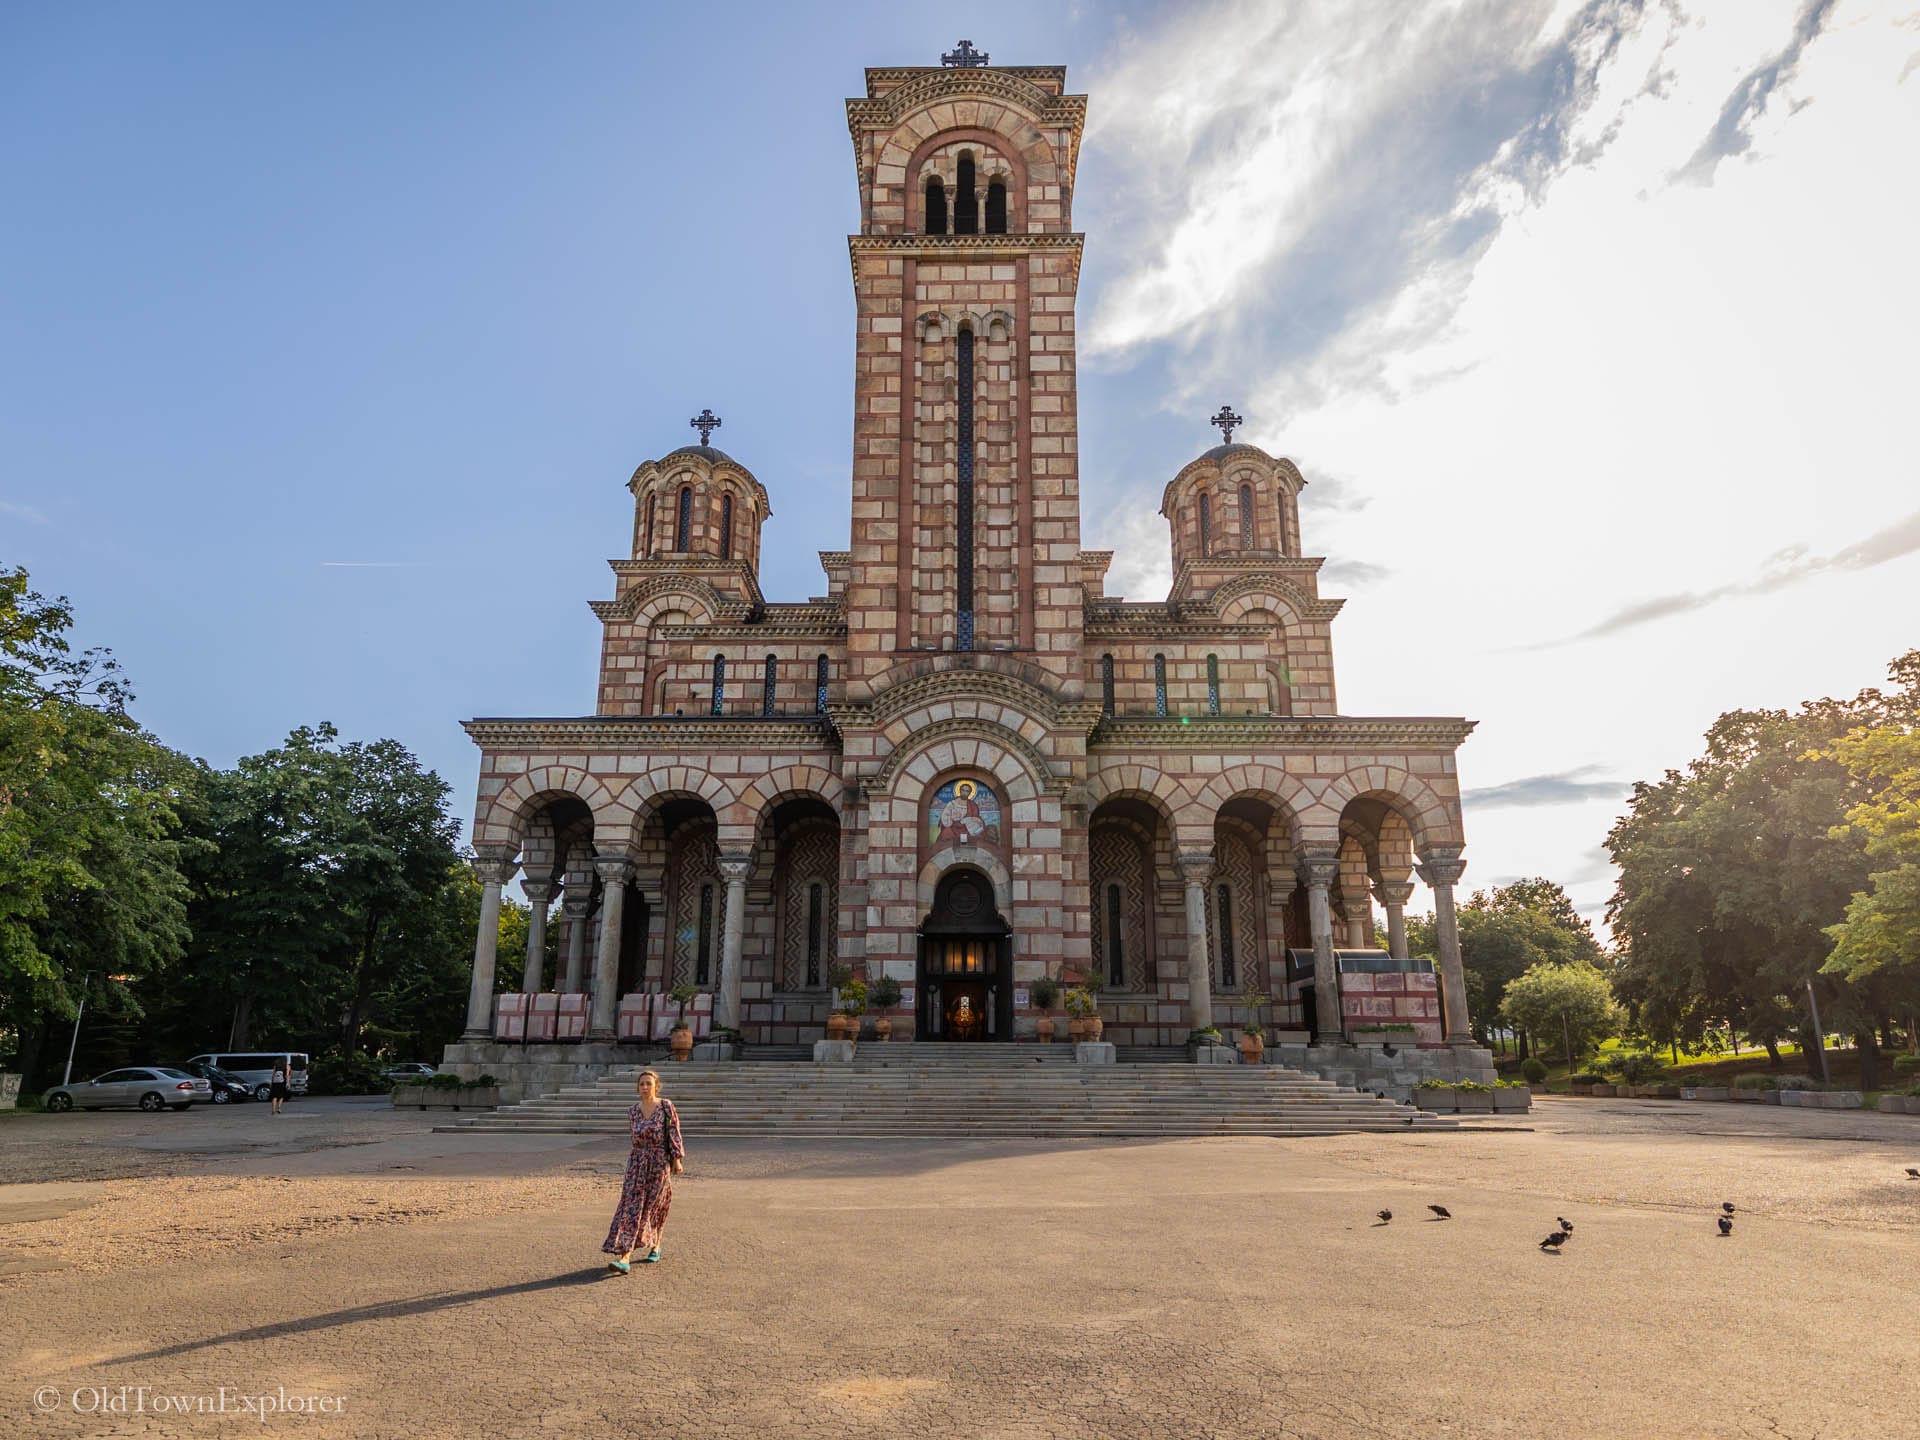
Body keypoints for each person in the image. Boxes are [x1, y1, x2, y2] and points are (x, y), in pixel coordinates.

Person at [603, 1068, 684, 1273]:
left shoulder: (666, 1106)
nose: (645, 1087)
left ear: (657, 1086)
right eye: (642, 1084)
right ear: (637, 1088)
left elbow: (674, 1132)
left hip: (659, 1163)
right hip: (637, 1163)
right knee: (631, 1207)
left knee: (654, 1207)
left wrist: (677, 1160)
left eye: (649, 1083)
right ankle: (625, 1256)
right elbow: (634, 1138)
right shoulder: (632, 1111)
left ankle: (656, 1244)